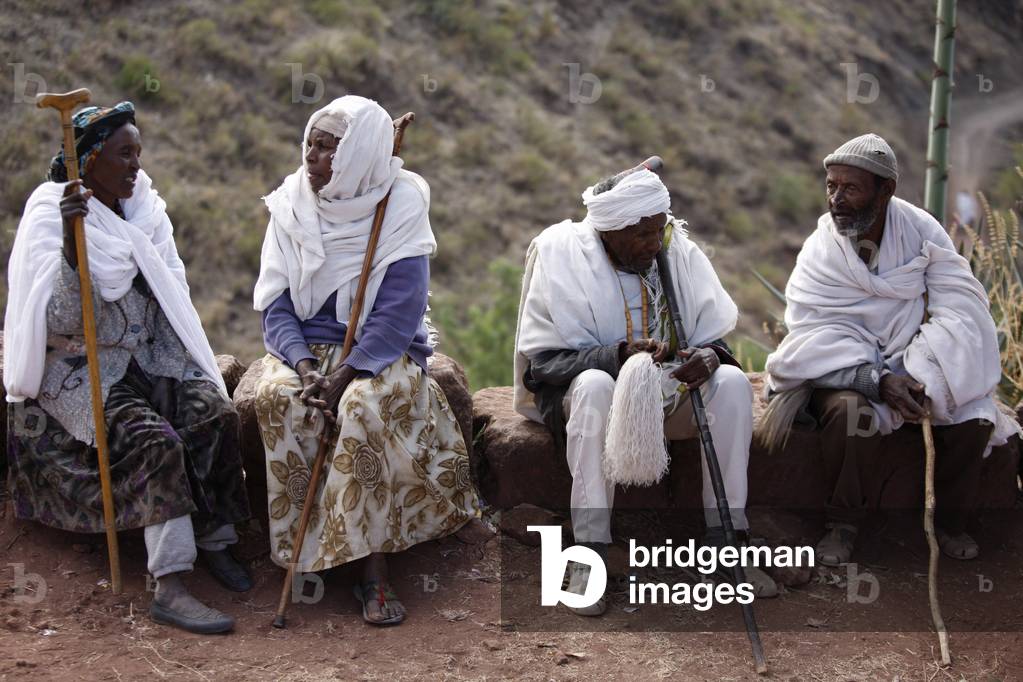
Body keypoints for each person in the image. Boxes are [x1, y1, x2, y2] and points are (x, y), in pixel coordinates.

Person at [4, 102, 251, 634]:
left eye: (138, 152)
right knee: (154, 441)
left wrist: (171, 370)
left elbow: (170, 295)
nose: (136, 165)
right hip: (82, 364)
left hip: (152, 354)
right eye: (124, 154)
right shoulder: (53, 213)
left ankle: (217, 539)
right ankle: (171, 582)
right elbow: (60, 319)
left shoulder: (144, 209)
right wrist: (74, 252)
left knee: (213, 411)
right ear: (89, 160)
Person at [253, 95, 489, 627]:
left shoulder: (401, 202)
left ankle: (372, 567)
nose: (312, 158)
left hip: (379, 350)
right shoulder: (292, 202)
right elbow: (276, 302)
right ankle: (307, 550)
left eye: (329, 149)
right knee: (279, 397)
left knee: (360, 407)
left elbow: (400, 310)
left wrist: (346, 372)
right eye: (310, 144)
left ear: (360, 156)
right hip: (306, 350)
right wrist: (307, 368)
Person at [514, 167, 777, 617]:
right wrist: (616, 355)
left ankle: (728, 542)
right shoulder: (562, 258)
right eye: (641, 234)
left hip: (668, 394)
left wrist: (712, 355)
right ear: (610, 231)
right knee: (595, 386)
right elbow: (544, 365)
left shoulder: (677, 252)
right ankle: (589, 553)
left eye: (659, 229)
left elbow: (715, 338)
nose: (654, 243)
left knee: (732, 383)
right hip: (598, 395)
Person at [762, 133, 1020, 566]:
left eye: (850, 188)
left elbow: (961, 310)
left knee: (974, 417)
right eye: (831, 186)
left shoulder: (922, 232)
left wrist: (926, 374)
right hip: (844, 369)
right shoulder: (820, 249)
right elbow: (810, 337)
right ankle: (843, 524)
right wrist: (876, 380)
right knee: (851, 413)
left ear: (886, 190)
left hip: (914, 360)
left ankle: (950, 525)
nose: (836, 199)